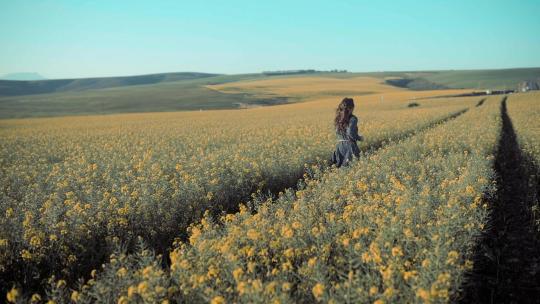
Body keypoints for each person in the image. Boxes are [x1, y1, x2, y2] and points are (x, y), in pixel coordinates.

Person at [331, 97, 363, 167]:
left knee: (341, 168)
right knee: (352, 168)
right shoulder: (353, 119)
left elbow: (337, 132)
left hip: (340, 147)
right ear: (351, 108)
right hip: (350, 147)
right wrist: (360, 138)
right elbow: (351, 133)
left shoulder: (338, 118)